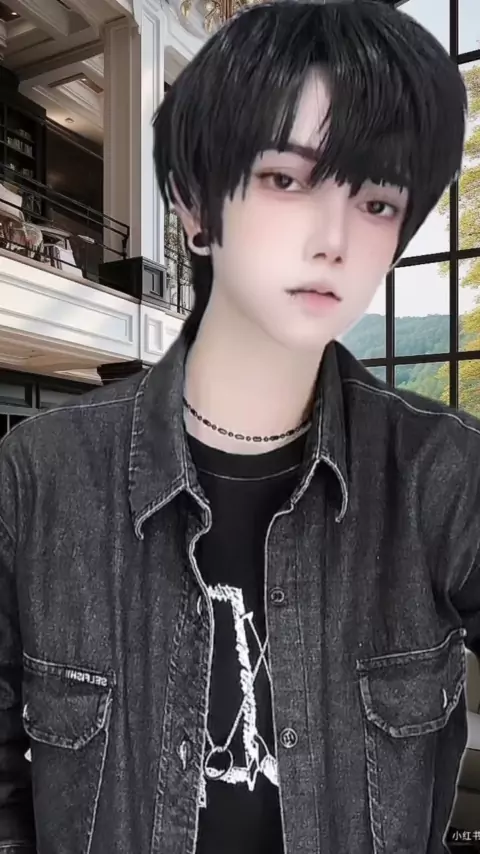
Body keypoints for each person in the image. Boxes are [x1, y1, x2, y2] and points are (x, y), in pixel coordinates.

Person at [0, 1, 476, 852]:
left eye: (376, 200)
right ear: (194, 205)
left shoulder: (442, 474)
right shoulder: (40, 475)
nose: (334, 238)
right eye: (287, 180)